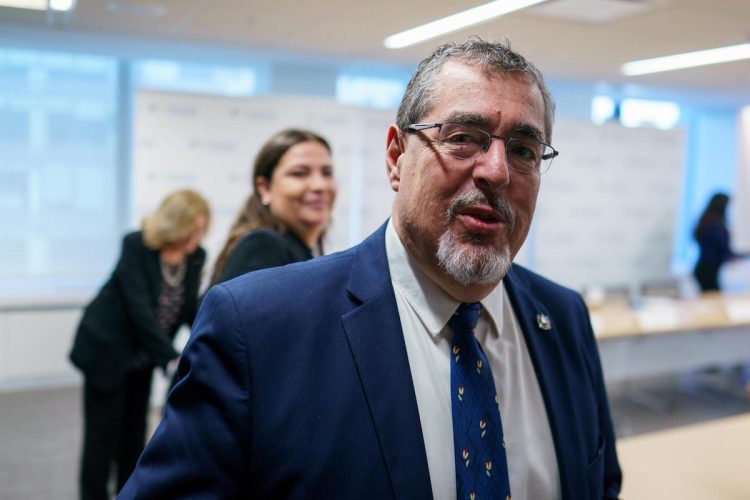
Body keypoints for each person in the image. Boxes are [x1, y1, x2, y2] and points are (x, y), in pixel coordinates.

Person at [119, 39, 622, 499]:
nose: (496, 170)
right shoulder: (257, 327)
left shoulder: (563, 317)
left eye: (523, 150)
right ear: (396, 156)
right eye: (464, 137)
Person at [69, 189, 210, 500]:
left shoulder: (196, 256)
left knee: (133, 437)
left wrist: (209, 337)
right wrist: (173, 358)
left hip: (143, 357)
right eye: (192, 229)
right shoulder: (137, 245)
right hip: (107, 352)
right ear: (174, 223)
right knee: (101, 440)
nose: (196, 238)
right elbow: (139, 310)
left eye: (201, 230)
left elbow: (189, 309)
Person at [210, 128, 337, 285]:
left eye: (327, 173)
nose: (320, 185)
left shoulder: (298, 251)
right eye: (299, 173)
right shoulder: (262, 247)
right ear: (264, 188)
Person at [692, 192, 740, 292]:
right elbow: (722, 248)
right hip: (709, 269)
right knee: (713, 300)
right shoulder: (715, 226)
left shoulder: (706, 221)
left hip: (704, 267)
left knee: (710, 299)